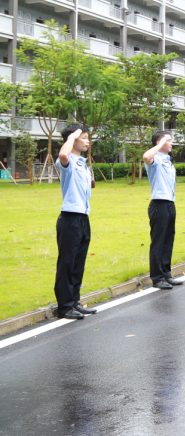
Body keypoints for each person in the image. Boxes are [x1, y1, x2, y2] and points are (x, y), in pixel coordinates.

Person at [54, 123, 94, 319]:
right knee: (67, 264)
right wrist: (72, 135)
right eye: (84, 137)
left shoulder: (81, 162)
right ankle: (64, 307)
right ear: (72, 139)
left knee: (78, 263)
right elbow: (63, 154)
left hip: (83, 217)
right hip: (70, 218)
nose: (87, 141)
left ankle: (74, 301)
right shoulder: (66, 159)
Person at [144, 131, 183, 287]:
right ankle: (157, 278)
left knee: (168, 241)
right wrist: (160, 143)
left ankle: (166, 274)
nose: (171, 143)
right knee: (158, 242)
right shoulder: (155, 159)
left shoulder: (167, 161)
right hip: (159, 204)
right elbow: (146, 157)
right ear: (159, 142)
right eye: (168, 140)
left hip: (169, 203)